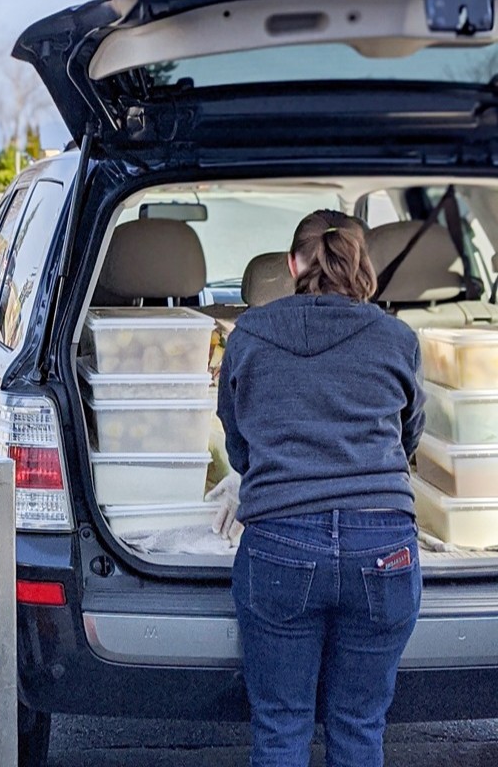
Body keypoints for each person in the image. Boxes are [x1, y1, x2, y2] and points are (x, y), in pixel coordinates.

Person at [211, 209, 425, 767]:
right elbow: (408, 440)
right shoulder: (398, 339)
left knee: (281, 728)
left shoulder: (248, 335)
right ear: (364, 270)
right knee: (358, 727)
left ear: (290, 265)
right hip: (384, 546)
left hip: (280, 542)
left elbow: (239, 445)